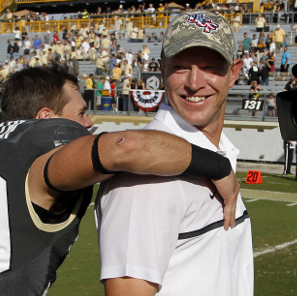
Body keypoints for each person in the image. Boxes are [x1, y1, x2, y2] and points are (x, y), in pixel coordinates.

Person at [0, 63, 239, 295]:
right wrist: (220, 167)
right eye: (80, 112)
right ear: (47, 118)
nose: (88, 121)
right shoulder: (38, 150)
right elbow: (127, 146)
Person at [96, 10, 253, 296]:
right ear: (162, 68)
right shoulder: (143, 180)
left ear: (234, 73)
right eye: (180, 67)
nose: (194, 82)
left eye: (210, 67)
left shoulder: (220, 152)